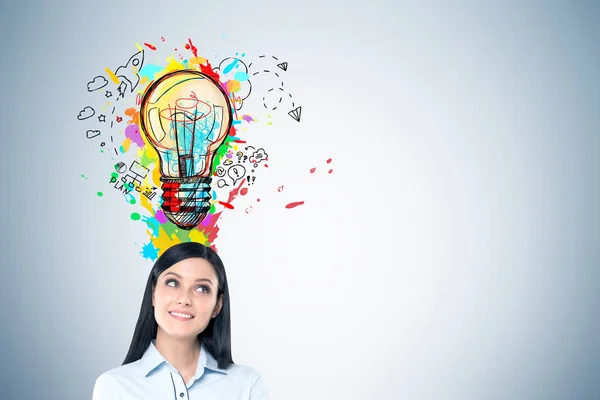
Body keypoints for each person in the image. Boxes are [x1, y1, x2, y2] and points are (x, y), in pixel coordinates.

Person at [92, 242, 272, 399]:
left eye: (201, 288)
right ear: (153, 293)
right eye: (173, 283)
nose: (184, 299)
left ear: (218, 305)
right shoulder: (115, 386)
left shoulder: (248, 384)